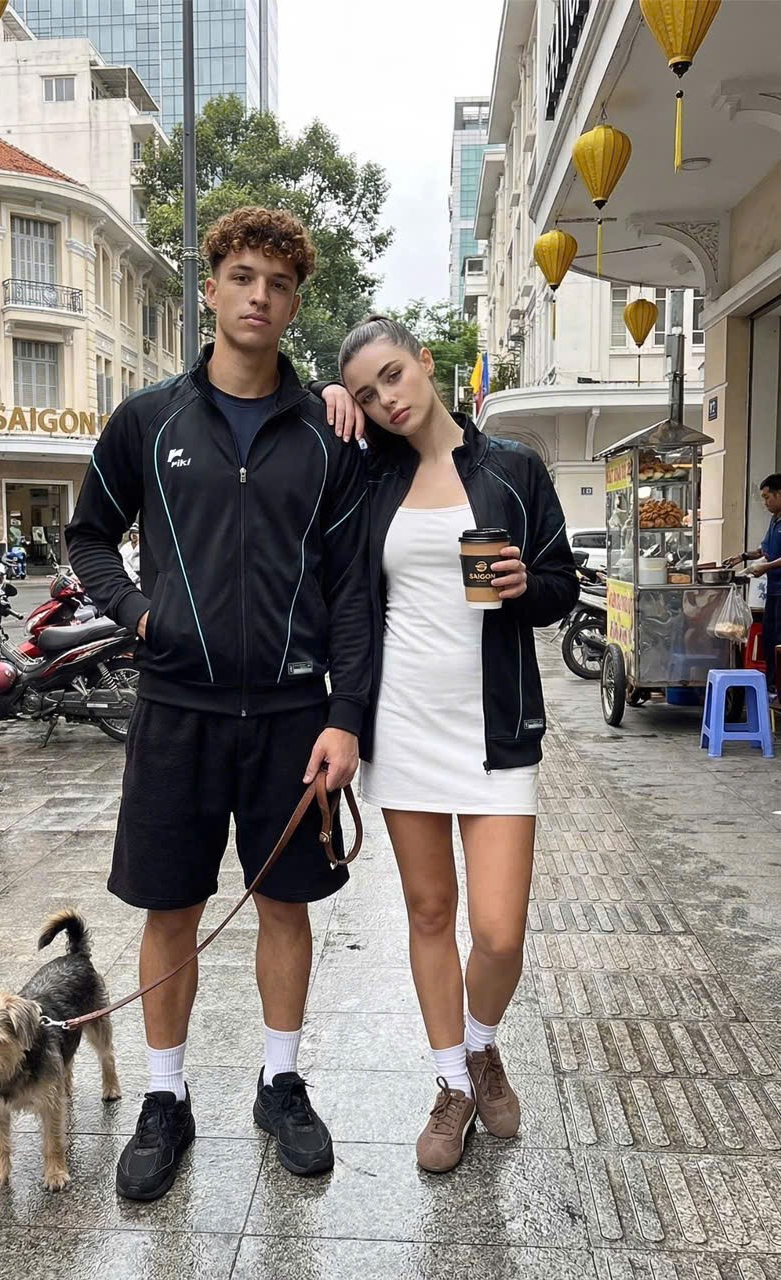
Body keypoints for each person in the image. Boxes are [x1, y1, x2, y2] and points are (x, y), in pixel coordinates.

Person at [65, 207, 371, 1202]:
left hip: (290, 716)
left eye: (278, 285)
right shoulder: (148, 419)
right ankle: (165, 1095)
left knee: (286, 904)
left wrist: (345, 715)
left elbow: (352, 588)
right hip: (176, 708)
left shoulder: (327, 434)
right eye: (242, 277)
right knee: (170, 908)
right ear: (211, 288)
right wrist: (137, 614)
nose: (258, 297)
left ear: (295, 303)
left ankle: (280, 1083)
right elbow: (86, 535)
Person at [317, 315, 577, 1173]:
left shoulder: (512, 466)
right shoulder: (368, 477)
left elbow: (560, 586)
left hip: (496, 726)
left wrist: (525, 583)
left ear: (426, 363)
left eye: (392, 376)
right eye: (366, 393)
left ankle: (481, 1041)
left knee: (499, 933)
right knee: (429, 913)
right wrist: (327, 391)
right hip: (404, 726)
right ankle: (453, 1083)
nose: (385, 401)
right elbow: (353, 605)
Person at [727, 472, 781, 705]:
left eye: (767, 497)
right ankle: (770, 687)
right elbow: (764, 549)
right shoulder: (775, 520)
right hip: (773, 591)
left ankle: (777, 690)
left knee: (779, 641)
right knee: (769, 638)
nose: (765, 502)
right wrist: (743, 557)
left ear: (780, 494)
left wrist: (765, 567)